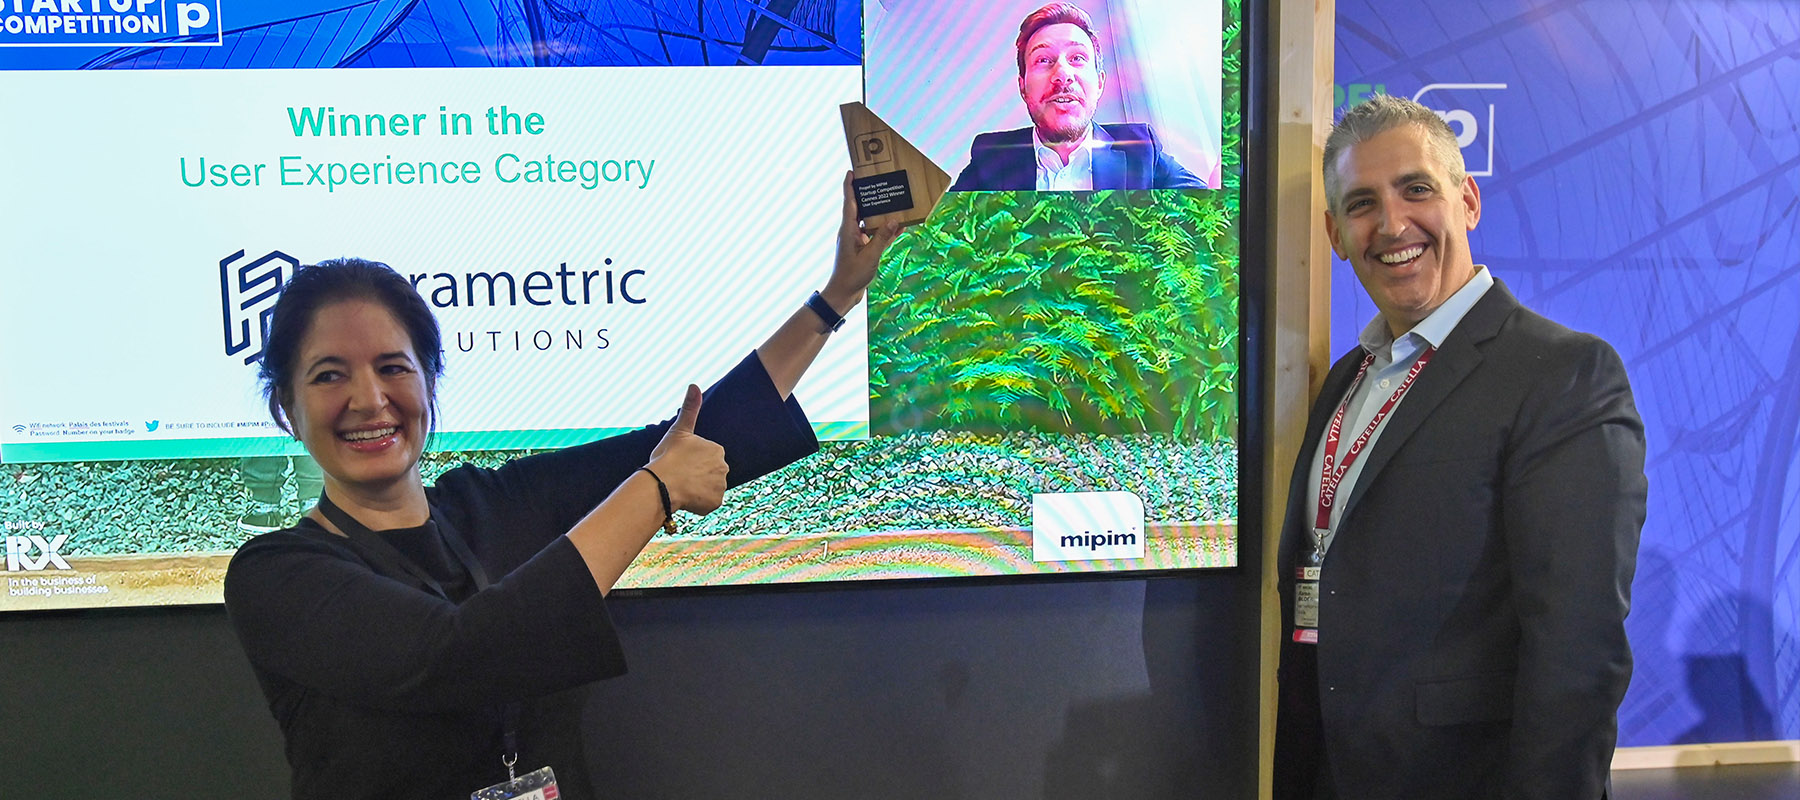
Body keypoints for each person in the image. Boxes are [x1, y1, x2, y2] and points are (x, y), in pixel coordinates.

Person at [223, 175, 900, 800]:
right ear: (287, 408)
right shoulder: (277, 575)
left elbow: (699, 436)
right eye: (329, 375)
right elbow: (454, 655)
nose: (370, 399)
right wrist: (653, 492)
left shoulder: (492, 505)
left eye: (393, 368)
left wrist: (835, 297)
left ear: (429, 383)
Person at [1272, 95, 1647, 799]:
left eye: (1416, 189)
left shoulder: (1563, 374)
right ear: (1334, 233)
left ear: (1467, 200)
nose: (1392, 224)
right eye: (1361, 203)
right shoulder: (1347, 380)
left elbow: (1578, 652)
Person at [948, 2, 1204, 192]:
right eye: (1043, 60)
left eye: (1077, 58)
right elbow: (937, 236)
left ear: (1100, 83)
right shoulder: (990, 158)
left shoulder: (1141, 149)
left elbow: (1210, 218)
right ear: (1022, 87)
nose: (1062, 74)